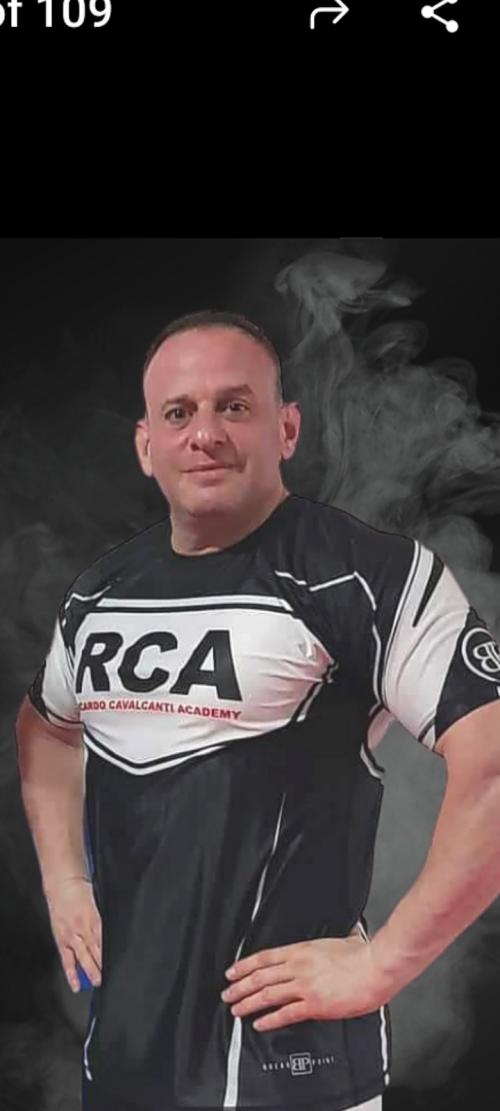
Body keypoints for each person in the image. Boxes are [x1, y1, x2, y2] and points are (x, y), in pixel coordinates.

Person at [16, 310, 500, 1111]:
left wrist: (383, 966)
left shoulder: (366, 574)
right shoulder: (100, 592)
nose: (204, 433)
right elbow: (46, 727)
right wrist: (67, 881)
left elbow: (491, 769)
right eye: (179, 412)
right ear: (146, 444)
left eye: (234, 406)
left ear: (287, 427)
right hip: (124, 1071)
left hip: (293, 1080)